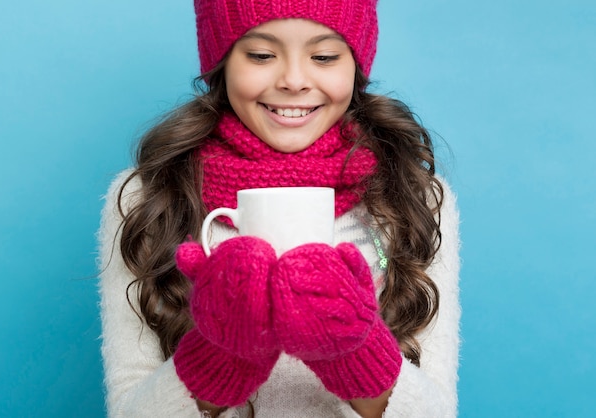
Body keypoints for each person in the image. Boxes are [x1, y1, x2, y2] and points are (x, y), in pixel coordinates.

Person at [97, 0, 461, 417]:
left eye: (324, 56)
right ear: (223, 62)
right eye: (261, 55)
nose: (293, 80)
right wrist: (223, 354)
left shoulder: (413, 196)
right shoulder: (151, 197)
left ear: (355, 66)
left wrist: (353, 353)